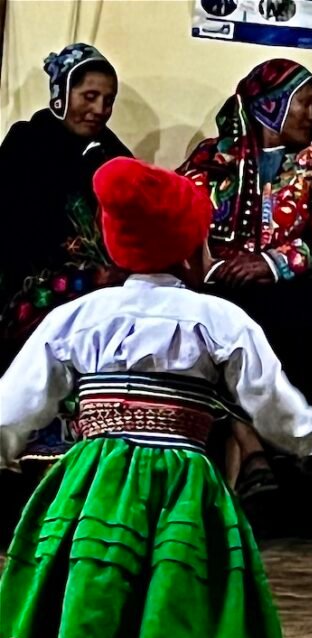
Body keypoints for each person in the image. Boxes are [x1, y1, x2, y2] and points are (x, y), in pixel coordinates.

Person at [0, 158, 312, 638]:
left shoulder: (78, 317)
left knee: (102, 610)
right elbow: (279, 412)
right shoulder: (220, 320)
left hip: (96, 481)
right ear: (192, 244)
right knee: (204, 597)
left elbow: (12, 409)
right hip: (187, 480)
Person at [178, 58, 312, 517]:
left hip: (295, 291)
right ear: (271, 106)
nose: (311, 116)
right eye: (304, 103)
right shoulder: (212, 161)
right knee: (208, 327)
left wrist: (270, 262)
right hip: (222, 292)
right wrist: (212, 267)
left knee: (287, 323)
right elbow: (179, 217)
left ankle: (262, 461)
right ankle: (251, 454)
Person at [0, 43, 132, 542]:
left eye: (108, 101)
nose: (98, 110)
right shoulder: (26, 145)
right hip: (24, 286)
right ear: (61, 94)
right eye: (89, 95)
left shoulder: (111, 155)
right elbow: (14, 234)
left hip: (92, 287)